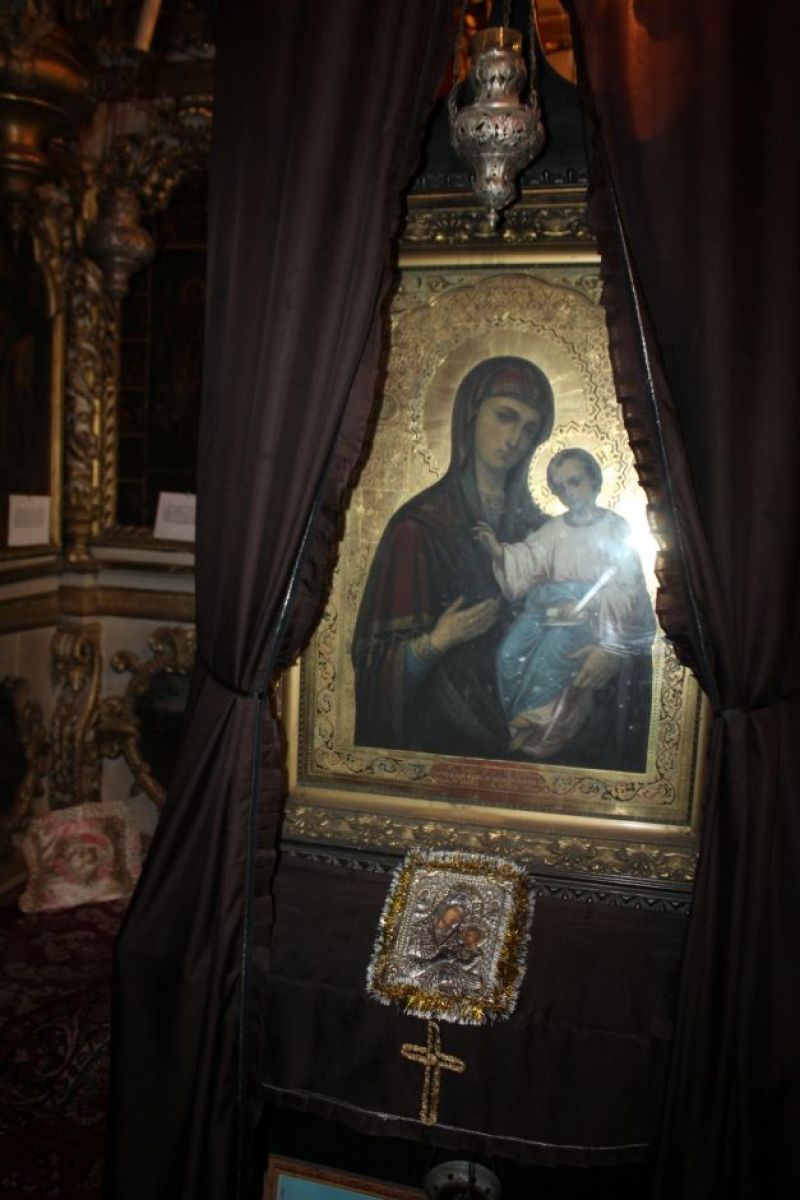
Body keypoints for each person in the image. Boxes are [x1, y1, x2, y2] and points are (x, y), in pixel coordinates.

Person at [352, 356, 554, 757]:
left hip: (532, 735)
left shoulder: (544, 533)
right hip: (441, 740)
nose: (515, 439)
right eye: (505, 416)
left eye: (529, 428)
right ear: (470, 414)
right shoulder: (419, 527)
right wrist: (437, 641)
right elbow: (373, 668)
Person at [476, 448, 656, 767]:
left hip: (592, 614)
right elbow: (530, 558)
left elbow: (625, 585)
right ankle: (519, 719)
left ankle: (535, 723)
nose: (568, 492)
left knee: (554, 653)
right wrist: (498, 552)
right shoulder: (555, 528)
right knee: (509, 654)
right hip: (547, 609)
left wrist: (589, 603)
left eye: (574, 482)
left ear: (594, 480)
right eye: (559, 487)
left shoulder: (614, 527)